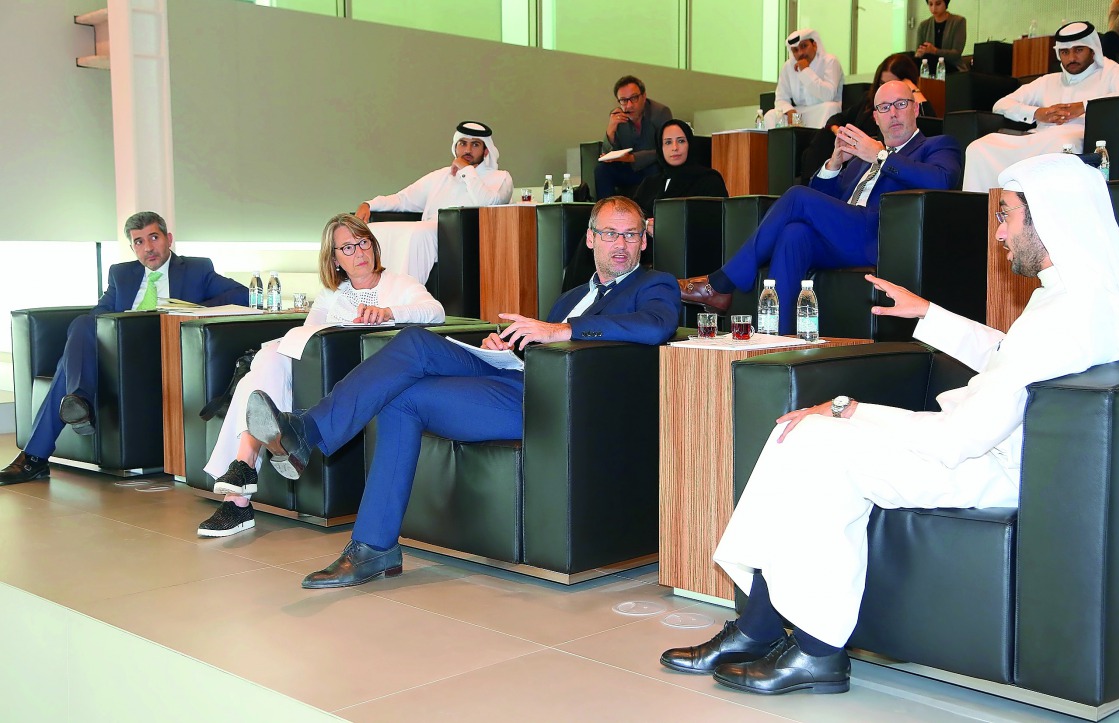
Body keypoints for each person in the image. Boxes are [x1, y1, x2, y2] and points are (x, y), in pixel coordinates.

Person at [660, 152, 1119, 697]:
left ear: (1049, 217)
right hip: (998, 446)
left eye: (1006, 215)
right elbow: (1014, 359)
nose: (999, 234)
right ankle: (760, 627)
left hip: (1000, 467)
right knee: (795, 432)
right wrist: (928, 315)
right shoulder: (1086, 295)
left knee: (815, 441)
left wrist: (849, 409)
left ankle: (816, 651)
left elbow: (961, 437)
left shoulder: (1066, 314)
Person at [242, 196, 682, 588]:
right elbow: (545, 346)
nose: (620, 244)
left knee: (408, 377)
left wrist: (560, 330)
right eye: (610, 234)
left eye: (631, 234)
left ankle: (308, 434)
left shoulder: (654, 285)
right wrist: (508, 345)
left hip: (553, 403)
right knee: (409, 362)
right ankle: (373, 547)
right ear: (590, 239)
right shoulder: (570, 297)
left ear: (644, 241)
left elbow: (656, 326)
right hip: (516, 378)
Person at [196, 214, 445, 538]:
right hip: (320, 375)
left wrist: (389, 313)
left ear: (374, 246)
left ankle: (241, 483)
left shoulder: (400, 284)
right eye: (348, 247)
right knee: (268, 358)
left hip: (359, 381)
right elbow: (306, 338)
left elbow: (436, 311)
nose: (359, 252)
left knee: (262, 369)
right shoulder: (332, 293)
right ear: (335, 259)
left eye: (363, 243)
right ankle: (241, 476)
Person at [678, 80, 961, 335]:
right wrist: (834, 163)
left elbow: (942, 180)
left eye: (901, 104)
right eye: (884, 107)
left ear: (915, 108)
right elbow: (819, 202)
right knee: (794, 232)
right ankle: (776, 338)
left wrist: (881, 156)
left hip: (880, 237)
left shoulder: (937, 145)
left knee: (797, 196)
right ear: (875, 117)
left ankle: (722, 283)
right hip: (845, 237)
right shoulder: (860, 161)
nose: (893, 113)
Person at [0, 211, 248, 486]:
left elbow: (243, 294)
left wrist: (192, 310)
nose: (148, 247)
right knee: (83, 324)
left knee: (67, 365)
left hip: (161, 354)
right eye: (139, 242)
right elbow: (100, 314)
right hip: (117, 353)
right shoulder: (121, 274)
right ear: (133, 248)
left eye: (154, 238)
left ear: (168, 239)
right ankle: (77, 402)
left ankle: (37, 454)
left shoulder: (196, 269)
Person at [962, 21, 1119, 192]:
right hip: (1038, 137)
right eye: (1065, 52)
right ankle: (983, 211)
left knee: (1062, 143)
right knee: (979, 148)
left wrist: (1084, 106)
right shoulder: (1047, 81)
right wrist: (1037, 113)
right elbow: (1001, 105)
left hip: (1079, 138)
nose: (1071, 57)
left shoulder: (1111, 72)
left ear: (1092, 50)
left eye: (1078, 50)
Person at [562, 119, 728, 291]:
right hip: (639, 240)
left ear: (690, 144)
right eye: (667, 142)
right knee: (595, 239)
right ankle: (576, 298)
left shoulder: (708, 179)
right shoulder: (651, 182)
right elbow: (634, 211)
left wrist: (665, 228)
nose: (674, 148)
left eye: (681, 141)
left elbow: (713, 223)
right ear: (660, 147)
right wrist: (646, 224)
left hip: (678, 245)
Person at [354, 121, 513, 283]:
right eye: (463, 143)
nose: (467, 150)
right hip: (430, 231)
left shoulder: (500, 177)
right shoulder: (440, 176)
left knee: (418, 232)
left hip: (463, 238)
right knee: (375, 230)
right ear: (455, 147)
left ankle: (408, 293)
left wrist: (466, 170)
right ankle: (377, 290)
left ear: (486, 151)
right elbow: (404, 199)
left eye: (475, 145)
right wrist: (370, 204)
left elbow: (489, 205)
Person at [799, 53, 934, 185]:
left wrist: (913, 90)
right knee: (824, 136)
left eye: (892, 83)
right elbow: (836, 118)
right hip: (855, 156)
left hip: (881, 156)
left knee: (797, 194)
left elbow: (931, 123)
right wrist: (842, 135)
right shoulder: (868, 101)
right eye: (882, 83)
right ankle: (812, 180)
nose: (885, 88)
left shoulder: (909, 110)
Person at [596, 76, 674, 200]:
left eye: (634, 98)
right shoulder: (618, 117)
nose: (629, 105)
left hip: (654, 168)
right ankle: (606, 209)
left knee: (655, 170)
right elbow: (606, 155)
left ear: (644, 96)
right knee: (602, 169)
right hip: (630, 170)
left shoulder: (660, 113)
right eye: (623, 100)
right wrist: (611, 130)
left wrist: (632, 158)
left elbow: (666, 150)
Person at [764, 29, 844, 129]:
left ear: (814, 45)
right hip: (800, 113)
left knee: (830, 107)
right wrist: (789, 110)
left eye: (804, 46)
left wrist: (806, 70)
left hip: (822, 110)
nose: (800, 53)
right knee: (770, 115)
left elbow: (828, 95)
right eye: (795, 50)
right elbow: (781, 98)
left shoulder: (830, 61)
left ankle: (819, 139)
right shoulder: (788, 67)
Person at [914, 0, 968, 74]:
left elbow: (956, 54)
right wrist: (919, 53)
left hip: (952, 66)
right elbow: (918, 51)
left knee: (929, 58)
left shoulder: (958, 21)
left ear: (946, 3)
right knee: (909, 59)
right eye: (930, 4)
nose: (934, 8)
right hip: (929, 64)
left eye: (938, 4)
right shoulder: (923, 25)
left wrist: (935, 51)